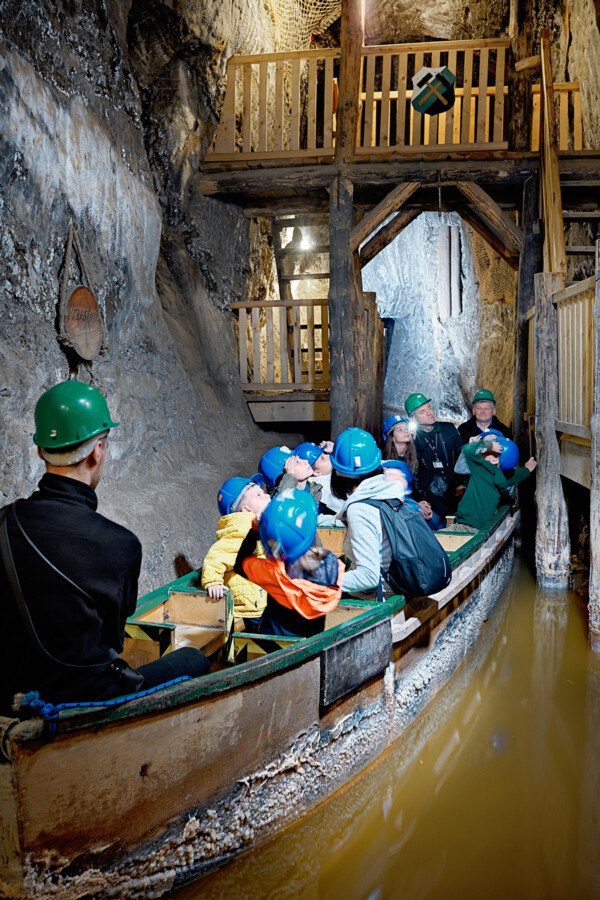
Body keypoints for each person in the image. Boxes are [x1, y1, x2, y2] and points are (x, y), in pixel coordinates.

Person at [0, 381, 209, 716]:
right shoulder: (120, 546)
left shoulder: (2, 524)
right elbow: (113, 641)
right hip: (84, 701)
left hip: (14, 694)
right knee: (193, 659)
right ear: (97, 451)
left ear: (40, 451)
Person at [234, 490, 343, 639]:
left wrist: (255, 530)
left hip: (272, 647)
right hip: (310, 645)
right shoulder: (332, 565)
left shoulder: (274, 573)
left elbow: (240, 564)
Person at [329, 427, 406, 599]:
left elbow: (368, 576)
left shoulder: (360, 509)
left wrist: (320, 581)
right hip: (396, 589)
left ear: (338, 472)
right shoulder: (389, 492)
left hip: (376, 598)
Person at [201, 475, 270, 632]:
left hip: (263, 601)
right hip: (252, 607)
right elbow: (217, 556)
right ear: (246, 510)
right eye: (259, 495)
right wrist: (213, 582)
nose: (266, 496)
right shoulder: (241, 531)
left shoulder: (261, 528)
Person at [446, 434, 536, 533]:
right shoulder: (502, 477)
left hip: (464, 526)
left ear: (494, 460)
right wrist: (527, 469)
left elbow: (468, 449)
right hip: (480, 529)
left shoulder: (481, 468)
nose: (483, 452)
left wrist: (488, 445)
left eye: (489, 451)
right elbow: (517, 474)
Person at [405, 393, 464, 530]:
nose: (429, 413)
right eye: (422, 412)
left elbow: (463, 455)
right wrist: (419, 501)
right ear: (413, 418)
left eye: (429, 408)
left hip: (454, 497)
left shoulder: (448, 429)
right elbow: (411, 474)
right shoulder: (412, 439)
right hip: (430, 502)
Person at [382, 414, 432, 522]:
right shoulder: (384, 461)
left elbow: (417, 487)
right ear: (392, 437)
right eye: (400, 430)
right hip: (393, 511)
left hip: (411, 504)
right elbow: (389, 496)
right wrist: (416, 506)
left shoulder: (415, 458)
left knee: (435, 521)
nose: (405, 431)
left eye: (407, 428)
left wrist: (423, 502)